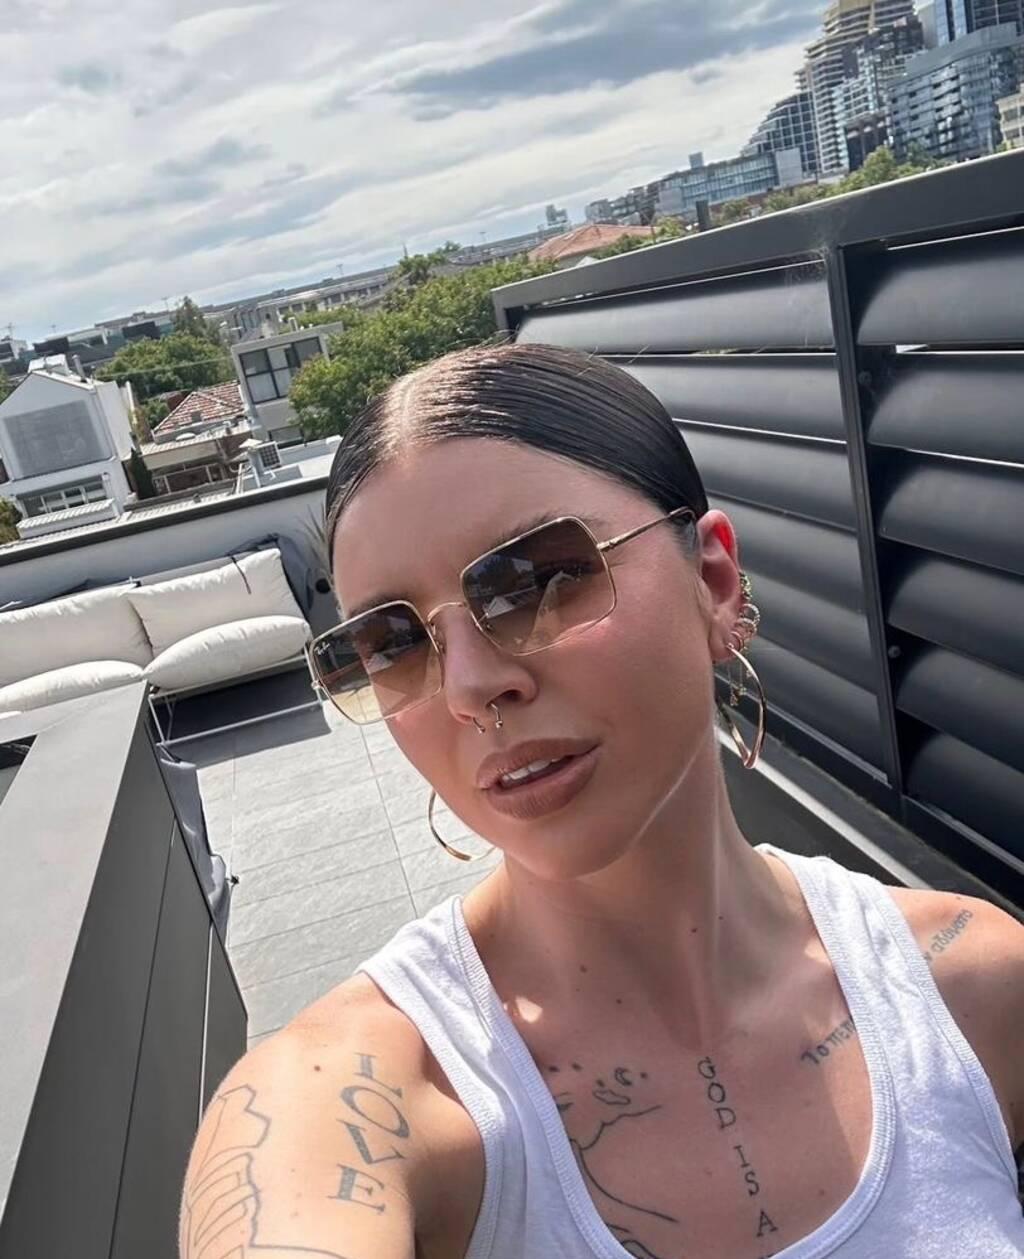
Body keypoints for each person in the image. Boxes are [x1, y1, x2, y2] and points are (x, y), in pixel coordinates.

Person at [180, 343, 1024, 1259]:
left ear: (714, 583)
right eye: (394, 644)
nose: (469, 686)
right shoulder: (349, 1102)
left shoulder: (974, 988)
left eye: (536, 580)